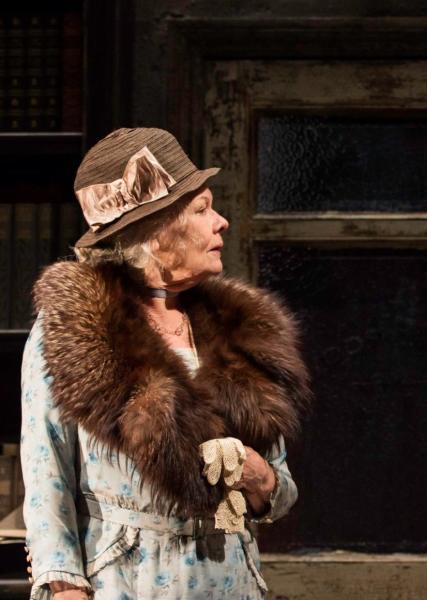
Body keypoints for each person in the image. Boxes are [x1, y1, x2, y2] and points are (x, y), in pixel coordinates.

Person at [21, 127, 311, 599]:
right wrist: (63, 587)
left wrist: (260, 477)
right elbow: (45, 475)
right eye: (202, 210)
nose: (222, 223)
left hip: (227, 581)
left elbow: (279, 492)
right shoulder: (71, 334)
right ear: (156, 232)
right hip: (125, 581)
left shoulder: (239, 330)